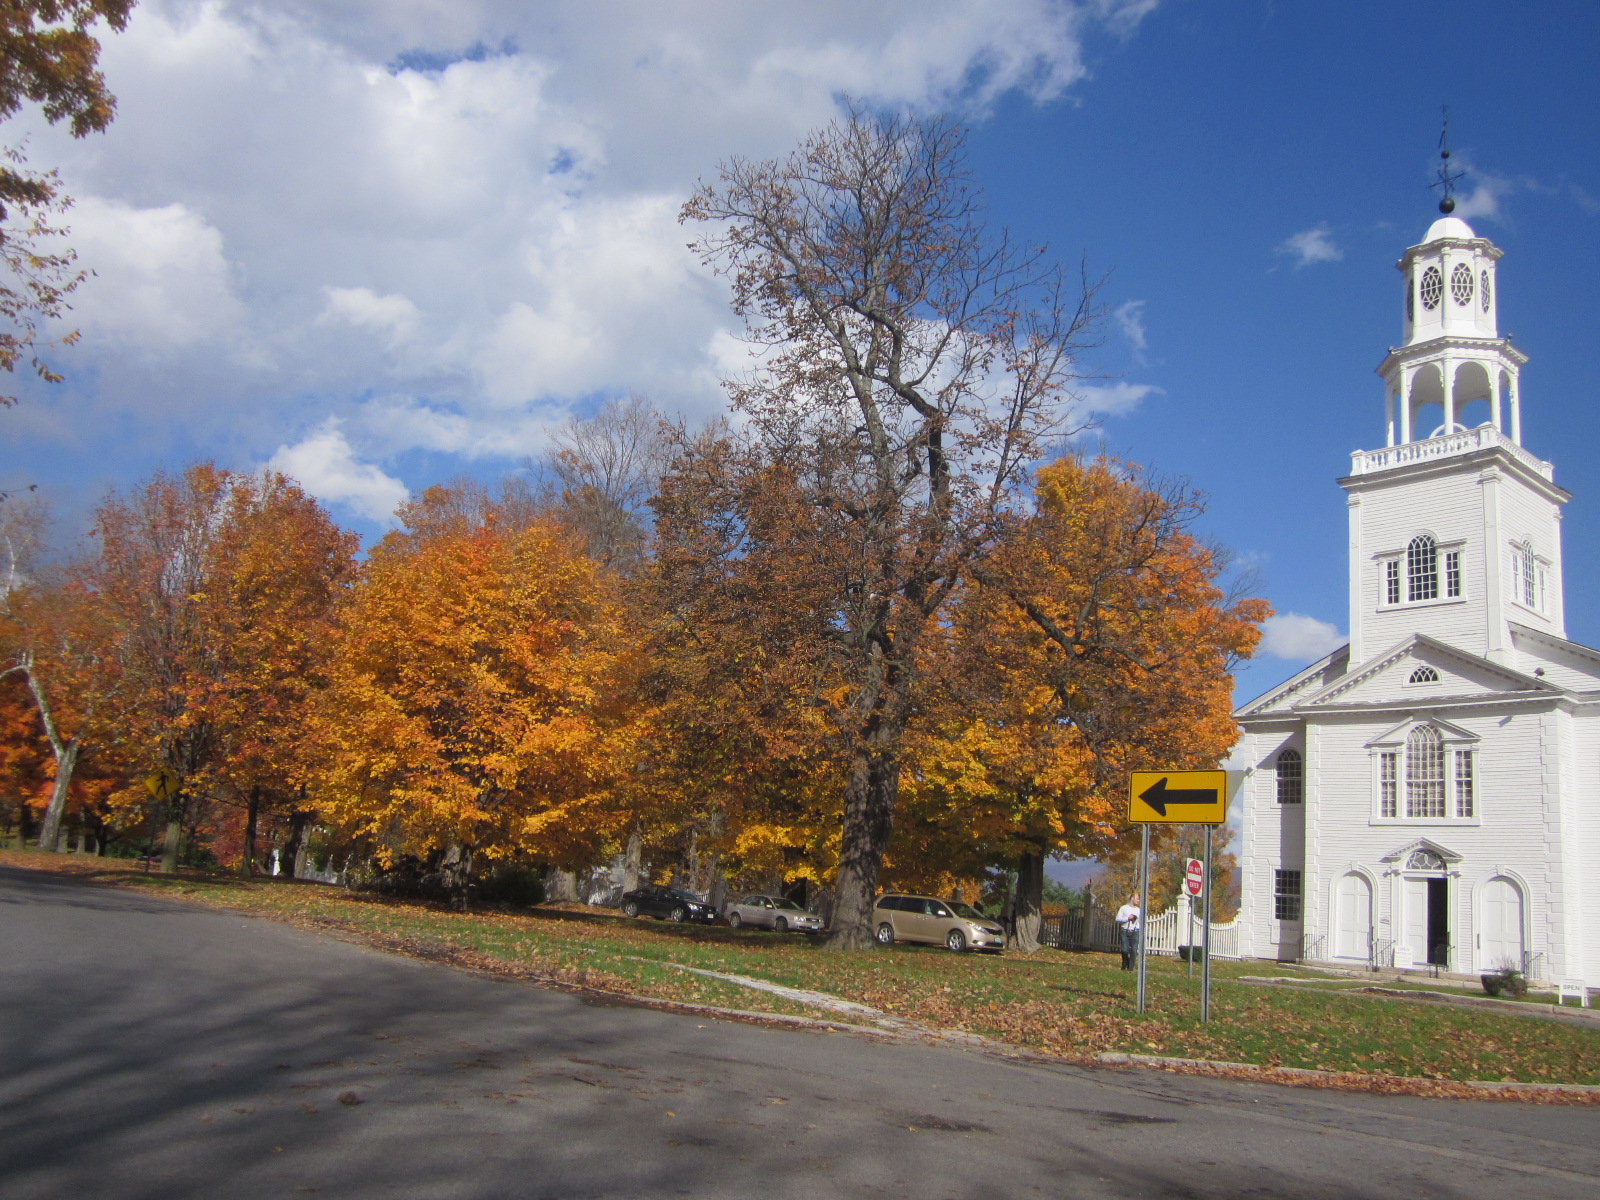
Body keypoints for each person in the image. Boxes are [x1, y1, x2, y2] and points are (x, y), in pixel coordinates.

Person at [1115, 893, 1141, 971]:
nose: (1138, 901)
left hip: (1135, 931)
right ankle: (1125, 962)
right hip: (1124, 931)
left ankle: (1130, 968)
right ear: (1132, 898)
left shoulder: (1138, 910)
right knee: (1125, 949)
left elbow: (1140, 922)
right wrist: (1128, 918)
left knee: (1134, 950)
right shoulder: (1124, 908)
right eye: (1137, 899)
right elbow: (1117, 919)